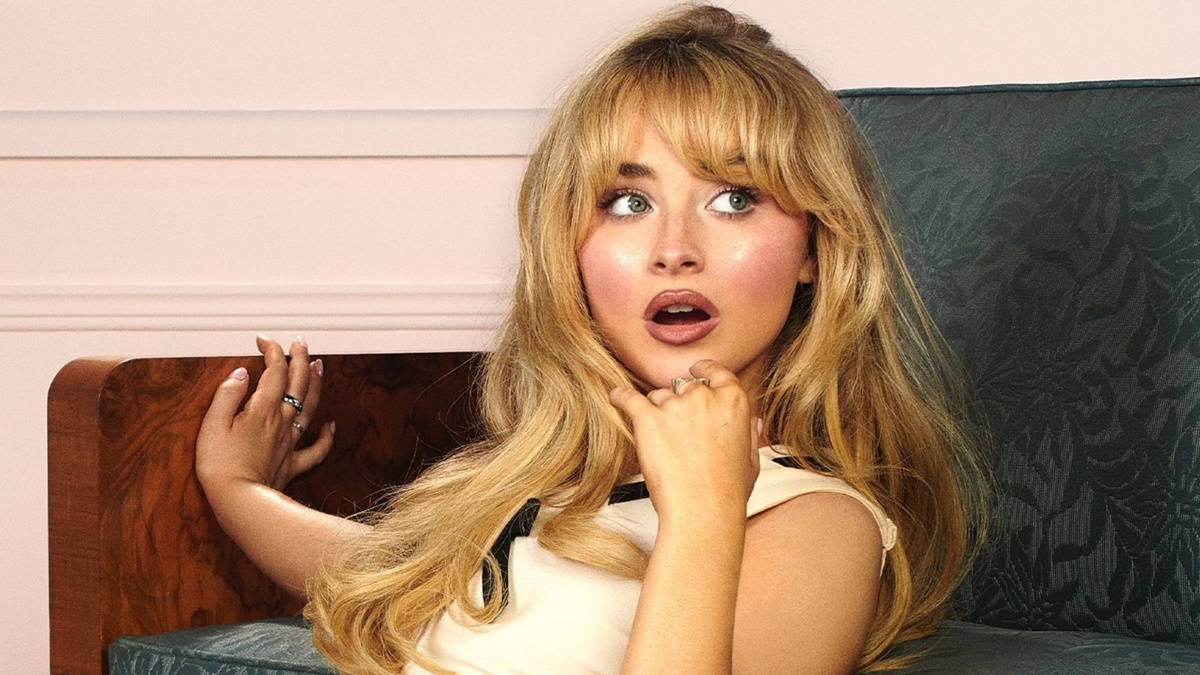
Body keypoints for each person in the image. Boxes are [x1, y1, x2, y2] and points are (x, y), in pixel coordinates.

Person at [196, 5, 986, 673]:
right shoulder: (554, 485)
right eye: (628, 202)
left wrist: (704, 513)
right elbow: (388, 573)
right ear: (570, 244)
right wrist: (237, 488)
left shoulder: (816, 521)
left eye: (735, 198)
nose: (674, 249)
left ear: (815, 245)